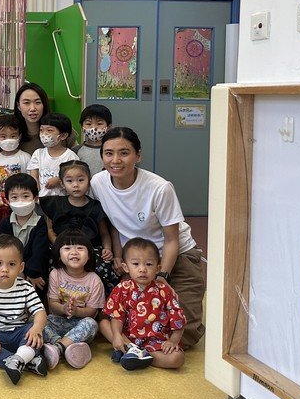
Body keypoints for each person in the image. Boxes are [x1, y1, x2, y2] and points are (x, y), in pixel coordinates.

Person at [91, 127, 205, 348]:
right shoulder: (98, 183)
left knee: (183, 334)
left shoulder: (159, 188)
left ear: (138, 155)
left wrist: (162, 276)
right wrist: (117, 256)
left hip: (176, 256)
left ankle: (139, 349)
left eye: (124, 153)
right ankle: (136, 348)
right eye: (109, 153)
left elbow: (172, 240)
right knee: (115, 320)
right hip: (135, 260)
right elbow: (113, 224)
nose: (116, 160)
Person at [0, 234, 48, 385]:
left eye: (11, 264)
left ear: (21, 267)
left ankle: (18, 360)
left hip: (19, 334)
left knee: (39, 331)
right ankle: (24, 361)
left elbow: (40, 312)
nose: (5, 269)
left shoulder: (25, 287)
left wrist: (36, 328)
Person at [100, 237, 186, 371]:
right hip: (128, 339)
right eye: (135, 264)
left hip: (156, 342)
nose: (142, 269)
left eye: (149, 264)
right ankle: (130, 350)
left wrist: (173, 341)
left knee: (177, 359)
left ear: (158, 268)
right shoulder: (121, 288)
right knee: (104, 324)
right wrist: (117, 336)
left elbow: (178, 319)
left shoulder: (164, 290)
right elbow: (117, 316)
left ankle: (141, 356)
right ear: (125, 267)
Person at [42, 160, 120, 292]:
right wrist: (61, 246)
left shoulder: (95, 206)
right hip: (61, 246)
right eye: (69, 181)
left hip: (90, 249)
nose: (76, 185)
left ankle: (97, 298)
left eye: (80, 180)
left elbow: (104, 233)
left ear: (89, 181)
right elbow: (50, 230)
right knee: (50, 264)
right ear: (62, 184)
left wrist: (107, 249)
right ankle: (56, 297)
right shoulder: (55, 204)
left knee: (103, 267)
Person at [42, 231, 104, 371]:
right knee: (37, 320)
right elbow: (52, 304)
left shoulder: (94, 280)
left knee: (92, 324)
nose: (74, 252)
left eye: (80, 248)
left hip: (80, 324)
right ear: (59, 255)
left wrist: (76, 311)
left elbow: (92, 312)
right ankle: (68, 347)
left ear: (89, 255)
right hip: (59, 321)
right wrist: (63, 308)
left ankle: (57, 348)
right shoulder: (55, 274)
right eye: (67, 248)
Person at [0, 173, 51, 293]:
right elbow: (2, 249)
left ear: (35, 198)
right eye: (14, 197)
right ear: (7, 200)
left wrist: (32, 273)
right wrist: (15, 271)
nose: (20, 201)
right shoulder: (5, 223)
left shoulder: (40, 223)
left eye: (26, 196)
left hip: (34, 273)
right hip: (8, 270)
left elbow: (39, 251)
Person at [27, 112, 79, 197]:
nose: (44, 134)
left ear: (63, 136)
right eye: (41, 130)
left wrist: (59, 180)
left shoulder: (70, 156)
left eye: (49, 130)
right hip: (42, 200)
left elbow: (75, 178)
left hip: (62, 200)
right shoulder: (38, 154)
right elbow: (34, 175)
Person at [13, 82, 51, 154]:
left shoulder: (60, 128)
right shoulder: (11, 133)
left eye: (38, 102)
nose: (32, 108)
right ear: (18, 106)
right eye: (26, 103)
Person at [74, 104, 112, 175]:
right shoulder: (76, 151)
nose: (94, 128)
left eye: (99, 123)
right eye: (88, 124)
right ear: (82, 127)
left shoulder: (113, 149)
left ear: (108, 127)